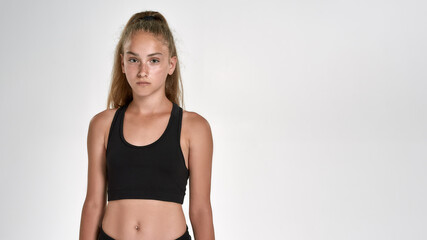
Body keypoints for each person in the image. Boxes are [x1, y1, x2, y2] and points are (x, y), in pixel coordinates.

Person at [79, 10, 215, 240]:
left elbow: (201, 210)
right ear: (122, 63)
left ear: (171, 64)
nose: (143, 71)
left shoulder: (194, 128)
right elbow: (93, 203)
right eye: (134, 60)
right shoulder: (102, 125)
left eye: (153, 60)